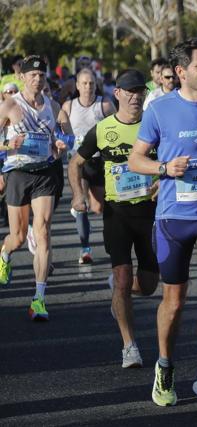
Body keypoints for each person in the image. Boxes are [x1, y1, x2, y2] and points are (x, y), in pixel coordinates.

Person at [128, 38, 197, 418]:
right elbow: (135, 160)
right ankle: (164, 366)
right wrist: (165, 168)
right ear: (181, 72)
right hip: (174, 217)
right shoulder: (159, 110)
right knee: (174, 303)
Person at [69, 69, 159, 368]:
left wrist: (161, 182)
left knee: (147, 285)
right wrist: (78, 195)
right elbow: (75, 163)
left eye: (140, 91)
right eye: (129, 91)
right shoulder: (103, 129)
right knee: (122, 279)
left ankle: (121, 293)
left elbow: (168, 162)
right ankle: (129, 346)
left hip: (149, 212)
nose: (135, 96)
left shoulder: (153, 126)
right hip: (117, 213)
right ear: (117, 93)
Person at [0, 55, 71, 321]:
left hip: (45, 172)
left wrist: (62, 145)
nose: (38, 79)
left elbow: (67, 137)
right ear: (22, 77)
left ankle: (39, 298)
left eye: (41, 75)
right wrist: (9, 146)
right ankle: (4, 253)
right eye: (32, 75)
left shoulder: (53, 106)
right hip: (18, 172)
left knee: (42, 231)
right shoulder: (9, 106)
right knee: (18, 237)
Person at [58, 68, 115, 264]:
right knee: (81, 205)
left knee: (99, 207)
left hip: (99, 162)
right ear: (77, 86)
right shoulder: (68, 106)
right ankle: (85, 249)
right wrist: (61, 143)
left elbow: (118, 127)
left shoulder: (105, 106)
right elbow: (60, 131)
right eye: (84, 83)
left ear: (96, 85)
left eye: (91, 83)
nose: (88, 87)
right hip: (78, 163)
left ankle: (109, 237)